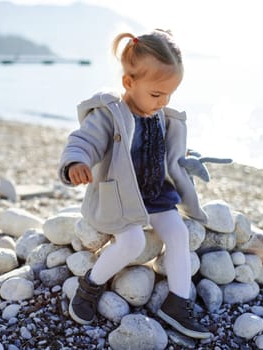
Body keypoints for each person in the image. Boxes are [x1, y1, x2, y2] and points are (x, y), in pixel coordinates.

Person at [57, 30, 212, 339]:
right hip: (121, 199)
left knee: (179, 233)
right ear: (129, 83)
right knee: (133, 243)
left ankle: (177, 303)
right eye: (157, 94)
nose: (163, 102)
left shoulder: (161, 115)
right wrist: (77, 162)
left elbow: (167, 151)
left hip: (155, 195)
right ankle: (89, 286)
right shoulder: (109, 115)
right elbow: (83, 141)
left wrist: (188, 158)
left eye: (170, 94)